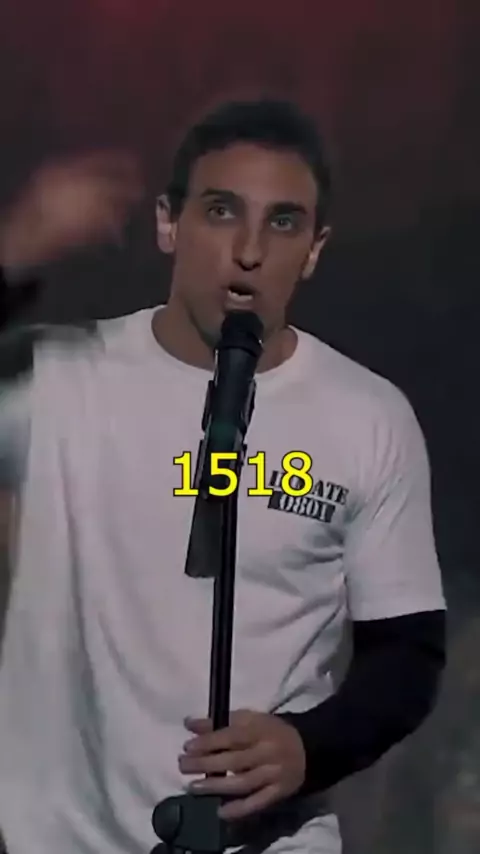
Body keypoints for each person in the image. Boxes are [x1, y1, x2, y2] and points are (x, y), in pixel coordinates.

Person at [0, 99, 446, 854]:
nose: (248, 251)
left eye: (283, 223)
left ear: (314, 249)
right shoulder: (56, 379)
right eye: (220, 211)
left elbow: (407, 655)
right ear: (168, 223)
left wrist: (308, 746)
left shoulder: (369, 417)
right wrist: (11, 254)